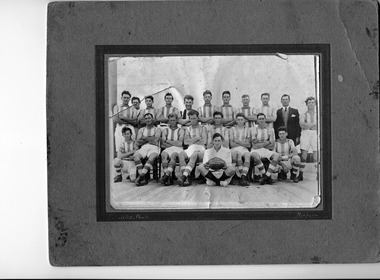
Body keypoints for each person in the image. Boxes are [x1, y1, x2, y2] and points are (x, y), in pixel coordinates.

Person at [177, 110, 208, 186]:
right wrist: (197, 138)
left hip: (200, 148)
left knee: (194, 155)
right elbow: (185, 142)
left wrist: (191, 140)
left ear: (198, 118)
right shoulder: (188, 129)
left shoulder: (203, 128)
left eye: (194, 118)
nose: (193, 120)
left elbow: (204, 141)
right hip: (191, 148)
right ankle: (187, 177)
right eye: (191, 118)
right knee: (181, 154)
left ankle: (184, 176)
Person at [251, 113, 280, 185]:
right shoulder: (254, 129)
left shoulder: (270, 129)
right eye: (259, 119)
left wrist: (260, 144)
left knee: (276, 156)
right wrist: (266, 142)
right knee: (255, 156)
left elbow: (272, 145)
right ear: (257, 120)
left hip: (267, 150)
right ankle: (265, 176)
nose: (261, 120)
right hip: (256, 150)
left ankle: (266, 177)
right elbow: (254, 145)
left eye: (263, 118)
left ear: (265, 120)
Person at [134, 113, 161, 186]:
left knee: (152, 156)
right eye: (146, 118)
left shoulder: (157, 129)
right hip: (144, 147)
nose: (148, 120)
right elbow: (138, 141)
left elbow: (156, 140)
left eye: (149, 118)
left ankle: (141, 176)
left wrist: (144, 138)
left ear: (152, 119)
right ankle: (142, 176)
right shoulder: (141, 129)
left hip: (154, 147)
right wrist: (151, 138)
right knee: (136, 156)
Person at [159, 113, 185, 186]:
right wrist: (174, 142)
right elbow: (163, 144)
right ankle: (168, 177)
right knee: (163, 154)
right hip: (168, 148)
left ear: (177, 120)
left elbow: (180, 143)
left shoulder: (181, 130)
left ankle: (166, 176)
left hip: (178, 149)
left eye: (174, 120)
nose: (172, 122)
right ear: (169, 121)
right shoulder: (165, 130)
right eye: (171, 120)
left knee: (174, 155)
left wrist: (168, 141)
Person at [298, 96, 318, 181]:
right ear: (306, 104)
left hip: (315, 134)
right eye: (309, 102)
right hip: (305, 134)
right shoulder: (303, 114)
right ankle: (301, 173)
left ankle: (318, 173)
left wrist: (308, 125)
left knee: (316, 155)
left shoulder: (318, 114)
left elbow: (320, 125)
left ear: (315, 104)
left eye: (312, 102)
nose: (311, 104)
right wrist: (314, 124)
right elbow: (302, 124)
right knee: (304, 155)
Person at [229, 113, 252, 186]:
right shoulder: (232, 129)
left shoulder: (247, 129)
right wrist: (243, 142)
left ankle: (243, 176)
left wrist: (238, 141)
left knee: (248, 155)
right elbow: (231, 144)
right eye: (238, 119)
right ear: (236, 120)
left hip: (244, 149)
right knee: (238, 154)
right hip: (234, 148)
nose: (240, 121)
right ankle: (242, 177)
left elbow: (248, 144)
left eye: (241, 119)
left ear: (244, 120)